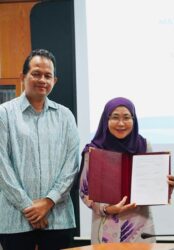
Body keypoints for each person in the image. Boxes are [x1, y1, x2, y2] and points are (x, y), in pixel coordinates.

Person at [0, 49, 80, 250]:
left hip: (59, 219)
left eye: (48, 75)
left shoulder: (65, 116)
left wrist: (48, 202)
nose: (42, 79)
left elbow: (72, 165)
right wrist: (28, 207)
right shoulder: (4, 114)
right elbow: (2, 167)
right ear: (23, 77)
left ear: (55, 80)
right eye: (36, 74)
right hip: (14, 219)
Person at [79, 97, 174, 243]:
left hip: (140, 227)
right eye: (115, 117)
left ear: (134, 119)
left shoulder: (144, 145)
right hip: (106, 226)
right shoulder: (94, 150)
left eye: (126, 117)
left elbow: (152, 185)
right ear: (106, 120)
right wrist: (107, 209)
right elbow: (84, 191)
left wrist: (165, 187)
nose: (121, 123)